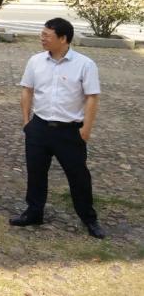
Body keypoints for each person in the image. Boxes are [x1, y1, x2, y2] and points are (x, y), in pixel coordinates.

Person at [10, 18, 105, 239]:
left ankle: (89, 218)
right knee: (36, 172)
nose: (42, 38)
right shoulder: (35, 61)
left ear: (63, 39)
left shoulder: (85, 64)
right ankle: (34, 212)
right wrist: (26, 122)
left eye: (47, 35)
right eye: (42, 34)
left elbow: (92, 97)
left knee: (78, 176)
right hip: (39, 127)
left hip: (69, 131)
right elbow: (27, 90)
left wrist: (86, 130)